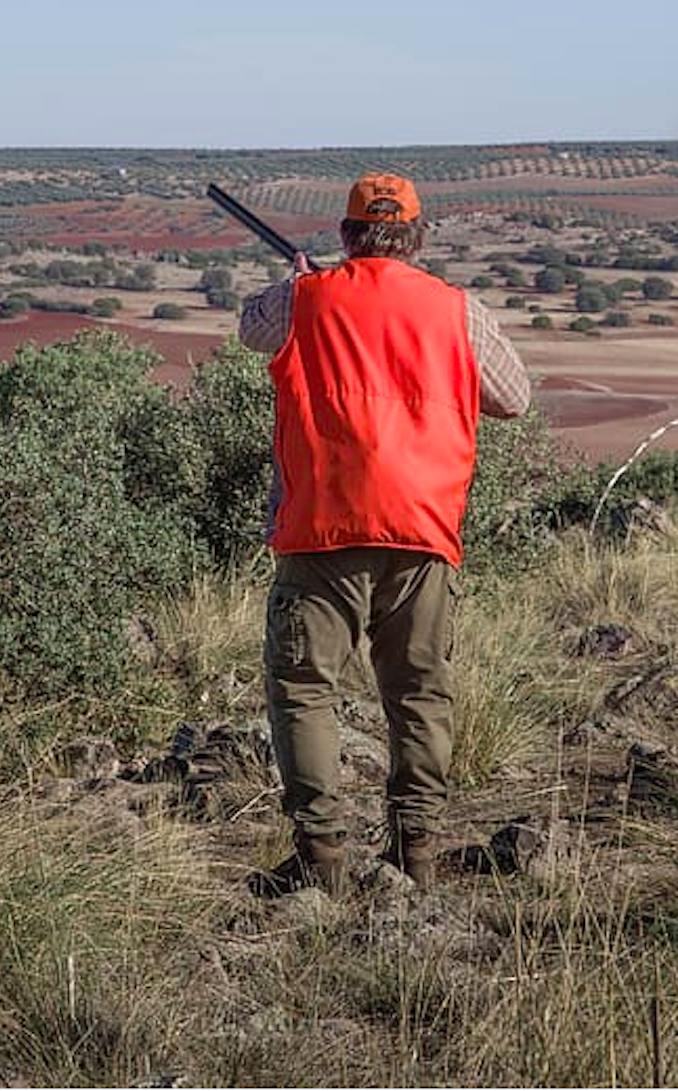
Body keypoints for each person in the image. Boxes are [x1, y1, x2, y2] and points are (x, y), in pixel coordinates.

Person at [238, 172, 530, 895]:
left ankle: (321, 858)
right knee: (418, 693)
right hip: (422, 528)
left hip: (321, 528)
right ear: (418, 236)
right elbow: (514, 399)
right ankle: (416, 854)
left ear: (346, 233)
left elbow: (250, 328)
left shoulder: (302, 300)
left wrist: (305, 284)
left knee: (305, 688)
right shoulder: (458, 312)